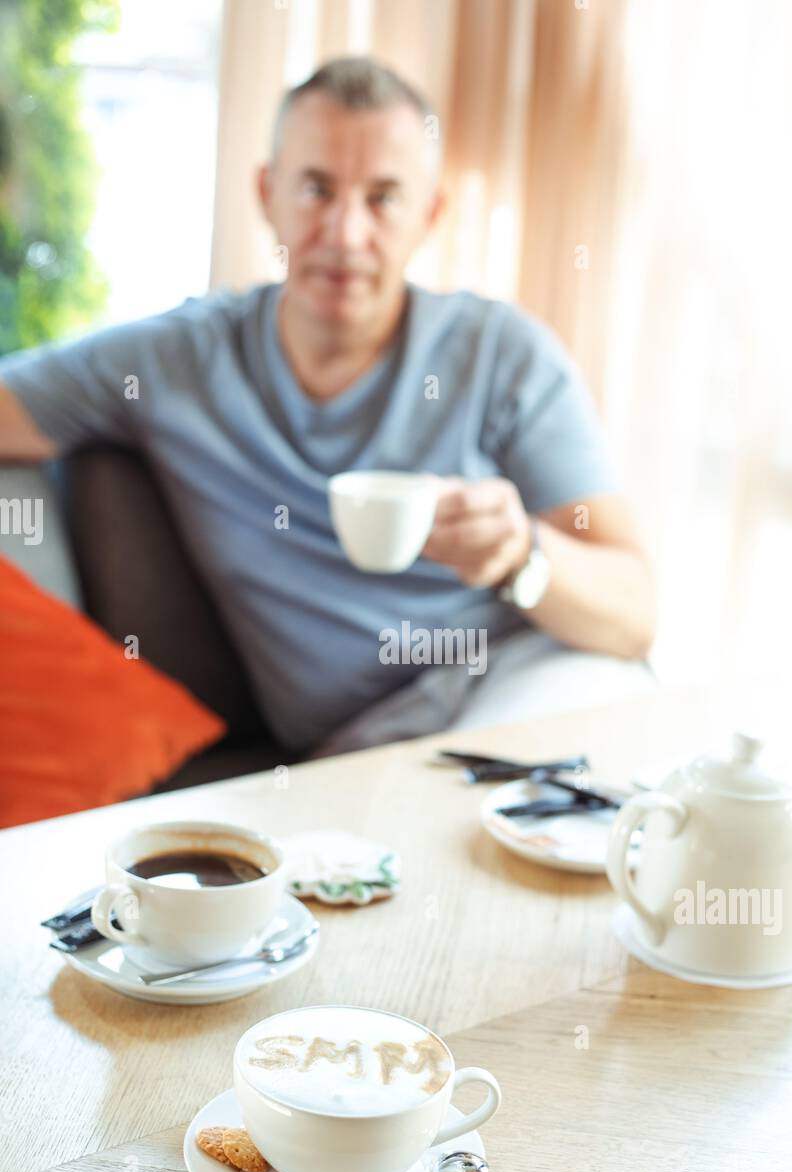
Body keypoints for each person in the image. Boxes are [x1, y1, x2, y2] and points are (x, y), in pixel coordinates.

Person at [0, 56, 655, 759]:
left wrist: (520, 553)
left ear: (428, 215)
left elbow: (636, 615)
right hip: (360, 755)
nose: (344, 233)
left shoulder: (503, 354)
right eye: (316, 189)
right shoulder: (175, 360)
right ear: (266, 194)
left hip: (524, 682)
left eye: (383, 198)